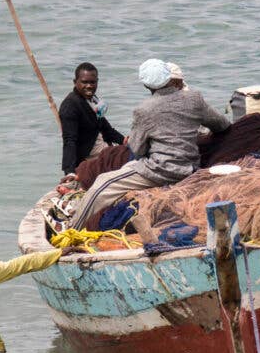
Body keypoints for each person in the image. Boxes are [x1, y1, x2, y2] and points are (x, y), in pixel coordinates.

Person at [68, 58, 231, 229]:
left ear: (146, 85)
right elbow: (222, 124)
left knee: (102, 184)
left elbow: (137, 149)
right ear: (169, 77)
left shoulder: (144, 109)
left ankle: (71, 230)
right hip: (190, 167)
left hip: (159, 171)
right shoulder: (194, 99)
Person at [59, 62, 125, 177]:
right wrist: (69, 172)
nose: (89, 86)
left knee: (135, 149)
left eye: (92, 82)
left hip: (105, 149)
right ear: (75, 82)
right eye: (84, 82)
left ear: (97, 82)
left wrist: (125, 141)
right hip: (90, 157)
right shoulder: (70, 106)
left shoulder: (93, 100)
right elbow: (69, 140)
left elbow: (106, 129)